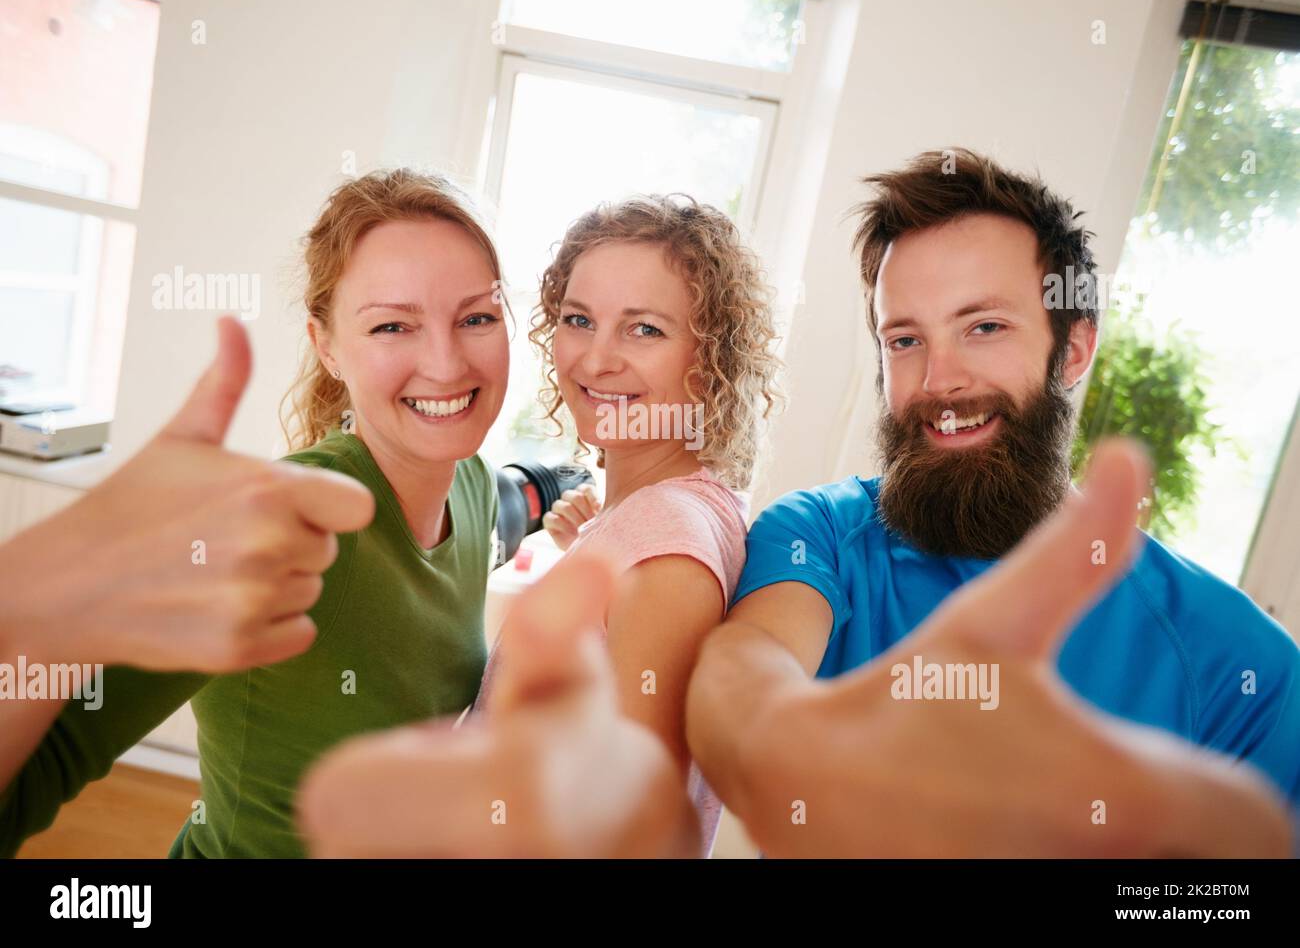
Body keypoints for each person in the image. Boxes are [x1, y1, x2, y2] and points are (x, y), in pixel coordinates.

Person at [296, 150, 1296, 858]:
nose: (940, 375)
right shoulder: (815, 535)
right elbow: (737, 683)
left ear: (1071, 344)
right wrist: (790, 749)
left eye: (983, 326)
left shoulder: (1239, 661)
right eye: (904, 338)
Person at [1, 169, 509, 857]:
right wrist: (48, 582)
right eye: (393, 325)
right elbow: (43, 758)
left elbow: (515, 500)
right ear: (327, 346)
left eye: (476, 317)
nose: (447, 364)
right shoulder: (284, 523)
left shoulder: (474, 486)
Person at [475, 195, 781, 856]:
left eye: (644, 329)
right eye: (579, 319)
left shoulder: (664, 542)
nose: (595, 359)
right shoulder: (668, 511)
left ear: (713, 357)